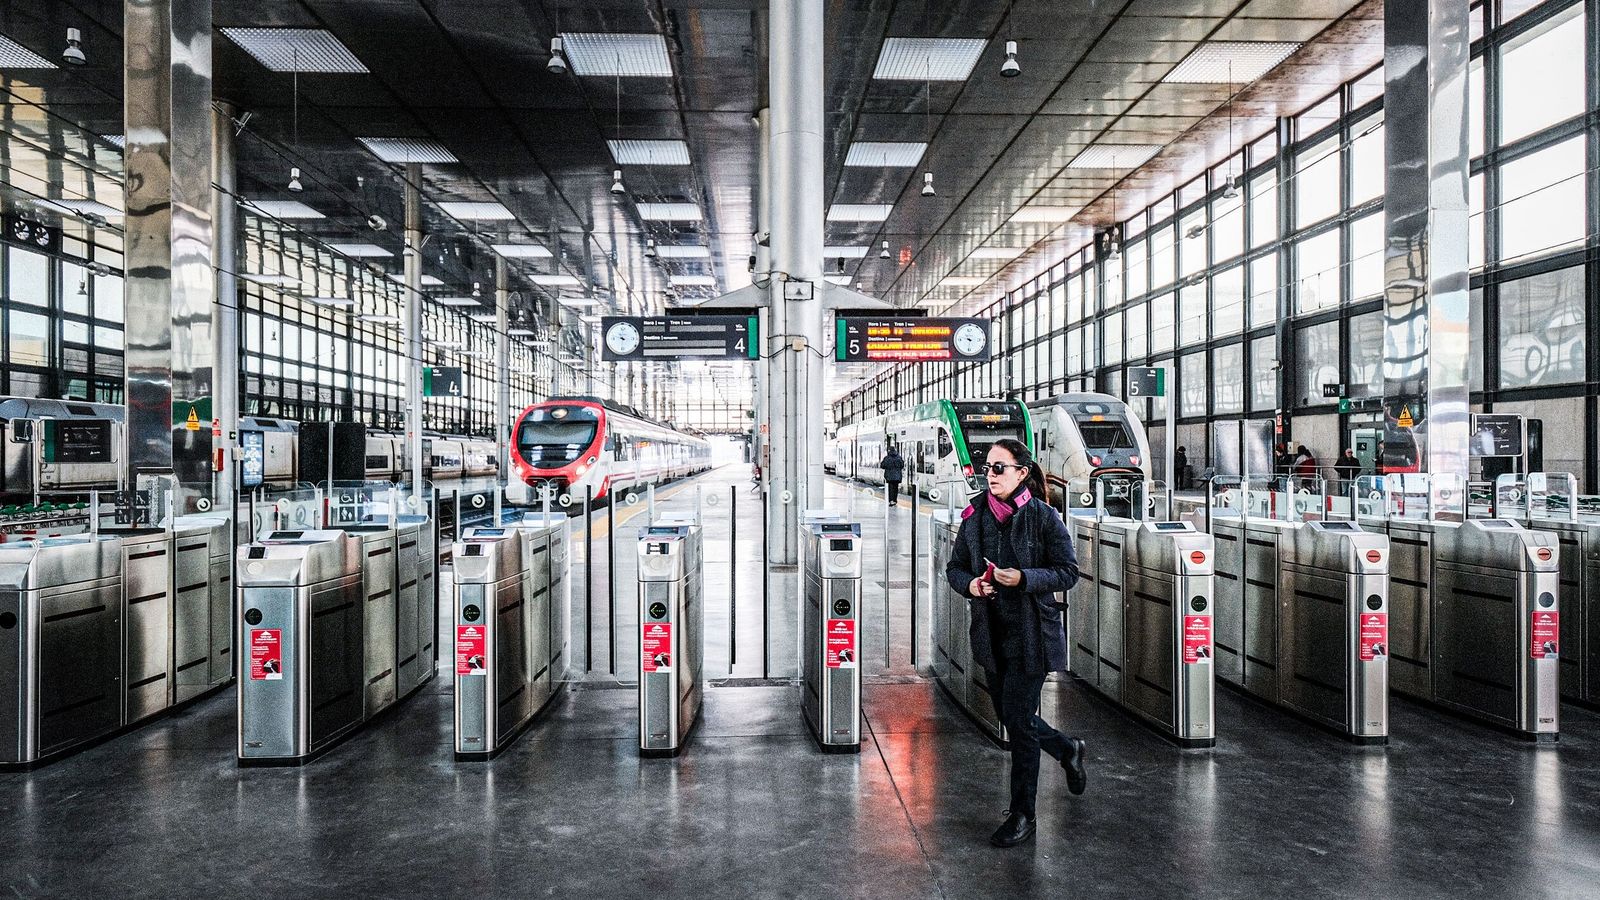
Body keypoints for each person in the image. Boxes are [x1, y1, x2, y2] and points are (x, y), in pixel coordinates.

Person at [944, 438, 1086, 848]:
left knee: (1020, 725)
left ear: (1022, 473)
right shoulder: (975, 517)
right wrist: (971, 584)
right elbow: (954, 568)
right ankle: (1066, 748)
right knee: (1013, 717)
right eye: (987, 467)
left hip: (1031, 638)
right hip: (991, 636)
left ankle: (1024, 814)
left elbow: (1067, 572)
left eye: (999, 468)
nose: (990, 475)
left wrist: (1023, 579)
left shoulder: (1043, 518)